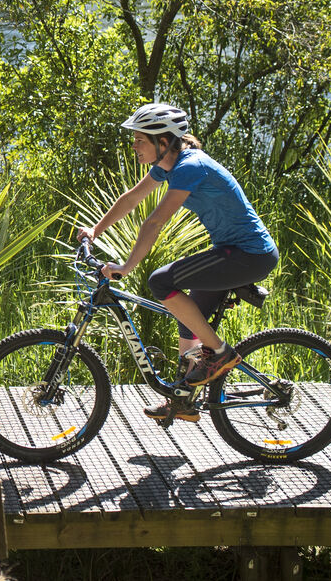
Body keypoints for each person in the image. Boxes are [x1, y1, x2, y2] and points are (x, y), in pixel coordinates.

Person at [77, 103, 279, 422]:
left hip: (249, 254)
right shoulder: (168, 166)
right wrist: (95, 230)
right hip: (231, 251)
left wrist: (125, 268)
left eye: (139, 140)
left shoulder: (190, 167)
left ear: (163, 141)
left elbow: (154, 222)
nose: (134, 146)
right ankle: (182, 399)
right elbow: (132, 198)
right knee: (186, 313)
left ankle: (221, 354)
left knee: (160, 281)